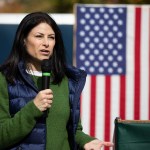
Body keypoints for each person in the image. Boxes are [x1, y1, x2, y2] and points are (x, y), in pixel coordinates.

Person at [0, 12, 113, 150]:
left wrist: (86, 141)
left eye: (51, 37)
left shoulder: (66, 80)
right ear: (23, 40)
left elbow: (73, 131)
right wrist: (33, 108)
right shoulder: (5, 79)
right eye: (39, 36)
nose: (46, 43)